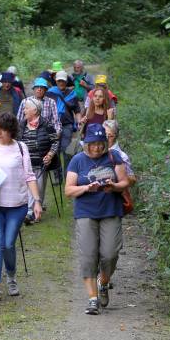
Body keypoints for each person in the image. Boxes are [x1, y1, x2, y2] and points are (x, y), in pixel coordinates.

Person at [0, 112, 42, 304]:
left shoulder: (21, 148)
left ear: (11, 131)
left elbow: (29, 176)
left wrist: (36, 201)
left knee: (7, 244)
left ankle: (11, 277)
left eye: (3, 130)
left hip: (16, 205)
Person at [65, 124, 129, 315]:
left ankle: (104, 281)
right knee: (88, 255)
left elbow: (125, 182)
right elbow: (68, 190)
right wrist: (86, 188)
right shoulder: (77, 160)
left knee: (110, 254)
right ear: (86, 143)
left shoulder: (113, 157)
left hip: (111, 210)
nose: (97, 148)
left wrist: (114, 186)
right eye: (93, 144)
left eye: (101, 144)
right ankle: (93, 299)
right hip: (85, 212)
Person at [18, 98, 59, 223]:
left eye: (26, 108)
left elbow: (55, 142)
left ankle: (32, 214)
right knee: (25, 188)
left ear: (35, 110)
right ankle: (28, 212)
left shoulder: (47, 124)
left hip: (40, 164)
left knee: (38, 188)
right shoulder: (21, 125)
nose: (24, 110)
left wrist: (50, 155)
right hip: (24, 164)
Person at [47, 71, 81, 174]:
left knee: (67, 150)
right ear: (56, 81)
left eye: (63, 81)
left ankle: (68, 174)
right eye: (59, 81)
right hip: (53, 126)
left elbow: (77, 110)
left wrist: (79, 122)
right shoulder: (50, 93)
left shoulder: (71, 94)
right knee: (55, 151)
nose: (61, 83)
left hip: (67, 125)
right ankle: (57, 176)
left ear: (66, 82)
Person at [103, 120, 136, 185]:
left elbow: (133, 180)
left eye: (110, 136)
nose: (107, 138)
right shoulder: (95, 151)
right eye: (105, 135)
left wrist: (117, 176)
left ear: (116, 136)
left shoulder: (121, 156)